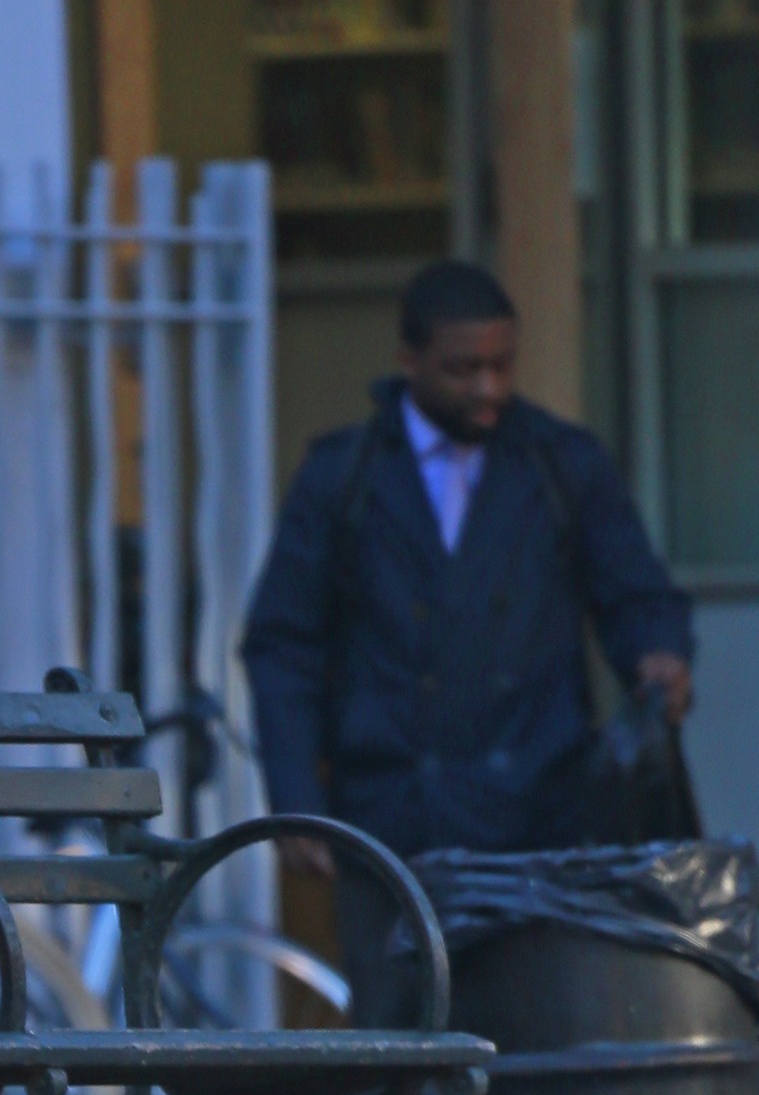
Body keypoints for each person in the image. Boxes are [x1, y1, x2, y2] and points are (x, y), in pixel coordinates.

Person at [242, 261, 695, 1017]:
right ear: (409, 361)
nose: (487, 387)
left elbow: (637, 594)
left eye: (501, 365)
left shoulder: (560, 462)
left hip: (538, 822)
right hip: (392, 824)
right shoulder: (344, 475)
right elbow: (283, 643)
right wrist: (295, 799)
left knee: (532, 1038)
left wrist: (659, 655)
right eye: (462, 369)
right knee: (399, 1046)